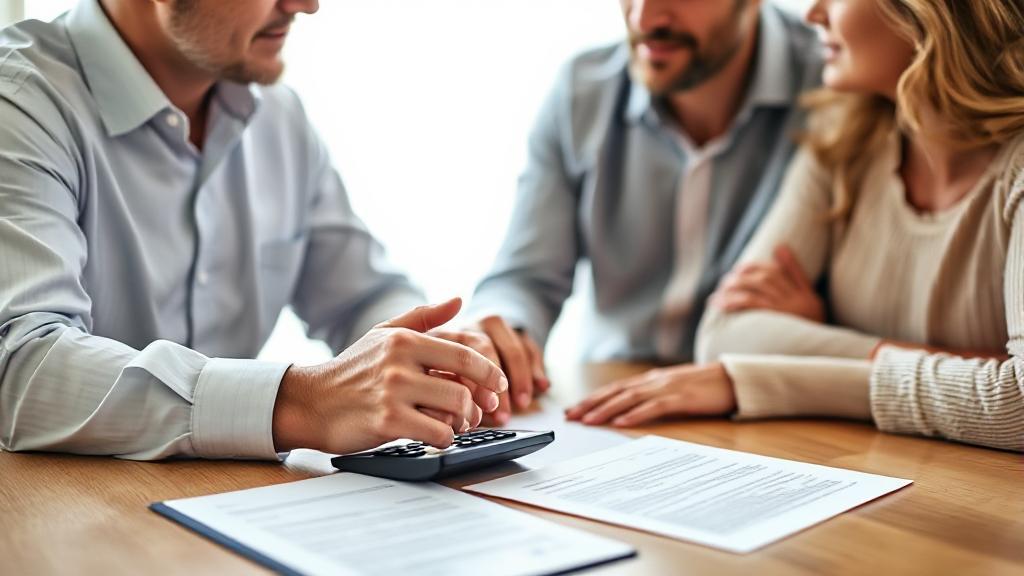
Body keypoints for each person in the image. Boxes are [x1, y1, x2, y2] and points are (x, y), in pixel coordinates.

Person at [0, 0, 510, 461]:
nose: (306, 5)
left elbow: (358, 297)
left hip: (224, 506)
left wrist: (435, 356)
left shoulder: (279, 117)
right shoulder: (19, 104)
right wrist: (301, 401)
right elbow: (20, 368)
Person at [567, 0, 1024, 453]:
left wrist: (768, 374)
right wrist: (969, 368)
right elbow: (727, 332)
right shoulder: (846, 136)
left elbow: (1018, 406)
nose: (813, 14)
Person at [465, 0, 823, 425]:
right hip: (612, 410)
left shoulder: (837, 85)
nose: (644, 19)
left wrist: (817, 329)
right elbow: (527, 278)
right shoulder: (583, 90)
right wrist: (498, 333)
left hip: (769, 410)